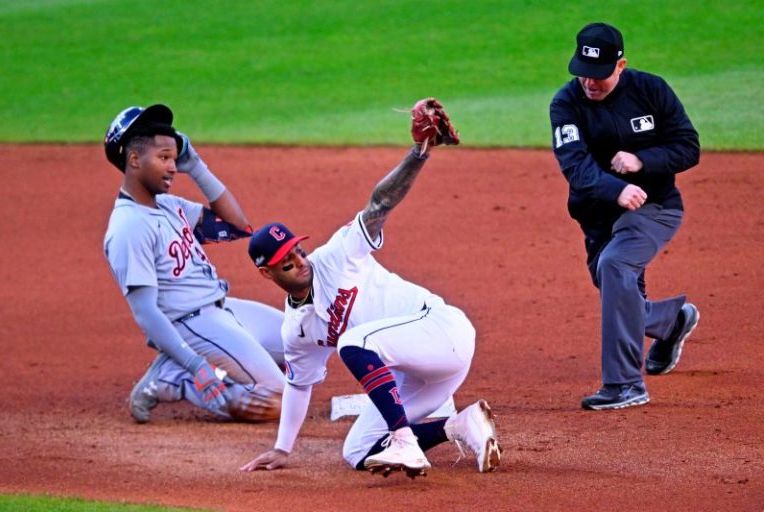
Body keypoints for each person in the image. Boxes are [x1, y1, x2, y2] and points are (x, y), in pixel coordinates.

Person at [239, 99, 501, 478]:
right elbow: (299, 386)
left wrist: (419, 153)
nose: (300, 261)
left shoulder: (338, 255)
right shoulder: (295, 330)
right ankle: (461, 425)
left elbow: (378, 205)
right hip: (427, 378)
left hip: (444, 332)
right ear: (268, 273)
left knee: (352, 343)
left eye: (298, 250)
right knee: (358, 450)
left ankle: (405, 443)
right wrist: (282, 448)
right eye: (287, 262)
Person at [549, 23, 701, 410]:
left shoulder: (651, 90)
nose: (590, 82)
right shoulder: (566, 104)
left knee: (616, 266)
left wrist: (643, 161)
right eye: (583, 71)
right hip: (598, 217)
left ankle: (625, 385)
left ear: (621, 65)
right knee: (617, 289)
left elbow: (688, 147)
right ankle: (671, 321)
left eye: (599, 75)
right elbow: (575, 165)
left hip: (656, 207)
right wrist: (615, 189)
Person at [102, 104, 285, 423]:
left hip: (225, 310)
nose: (173, 167)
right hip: (190, 323)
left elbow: (237, 225)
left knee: (304, 340)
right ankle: (174, 379)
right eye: (163, 158)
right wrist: (197, 367)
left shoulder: (170, 206)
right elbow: (146, 313)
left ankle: (173, 365)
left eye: (174, 158)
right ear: (134, 160)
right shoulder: (129, 227)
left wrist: (197, 167)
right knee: (278, 399)